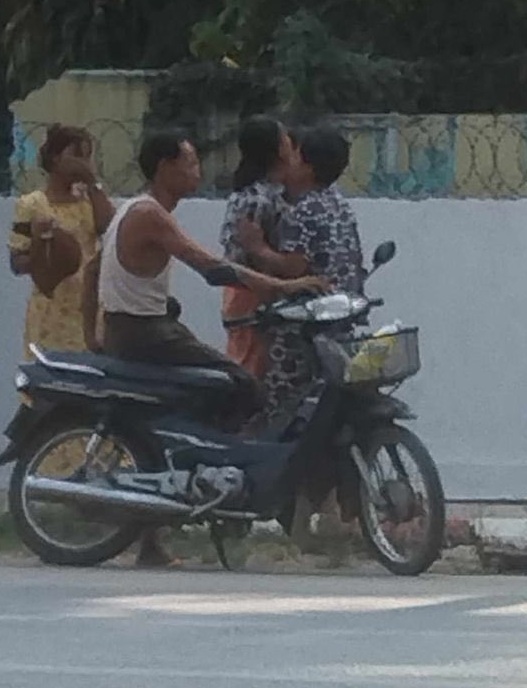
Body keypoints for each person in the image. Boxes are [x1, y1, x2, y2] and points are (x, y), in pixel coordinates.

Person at [93, 130, 325, 568]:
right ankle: (211, 475)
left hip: (136, 329)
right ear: (165, 168)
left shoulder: (133, 208)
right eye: (191, 162)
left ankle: (162, 524)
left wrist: (98, 328)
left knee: (193, 402)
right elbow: (212, 267)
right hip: (149, 334)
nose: (198, 170)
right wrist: (285, 285)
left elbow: (94, 269)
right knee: (241, 385)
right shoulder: (150, 215)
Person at [240, 125, 365, 413]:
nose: (287, 161)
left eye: (294, 155)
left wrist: (256, 247)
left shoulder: (304, 210)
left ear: (307, 168)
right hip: (343, 315)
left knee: (277, 395)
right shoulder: (337, 202)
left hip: (307, 322)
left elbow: (295, 267)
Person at [8, 124, 114, 358]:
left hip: (88, 310)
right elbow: (16, 263)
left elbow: (109, 225)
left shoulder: (89, 201)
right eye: (76, 156)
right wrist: (42, 244)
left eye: (88, 156)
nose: (83, 163)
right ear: (55, 159)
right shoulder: (33, 205)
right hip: (50, 313)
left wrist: (92, 182)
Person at [219, 116, 297, 375]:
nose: (291, 142)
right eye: (285, 138)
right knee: (250, 367)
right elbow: (245, 253)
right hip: (252, 293)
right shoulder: (258, 198)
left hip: (255, 291)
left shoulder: (266, 193)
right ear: (276, 150)